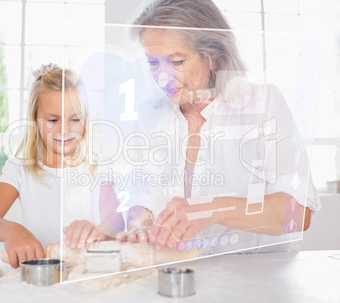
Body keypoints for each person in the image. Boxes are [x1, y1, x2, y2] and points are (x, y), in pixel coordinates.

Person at [117, 0, 320, 254]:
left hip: (259, 282)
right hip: (178, 280)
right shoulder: (149, 114)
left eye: (177, 61)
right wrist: (141, 226)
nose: (163, 77)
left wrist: (213, 209)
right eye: (154, 63)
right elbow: (142, 197)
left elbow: (299, 215)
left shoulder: (264, 105)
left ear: (213, 58)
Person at [0, 64, 123, 268]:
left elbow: (116, 218)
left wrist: (99, 230)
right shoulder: (20, 169)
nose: (65, 129)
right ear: (35, 119)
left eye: (75, 119)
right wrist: (10, 231)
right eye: (53, 120)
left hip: (87, 274)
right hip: (39, 278)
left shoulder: (100, 166)